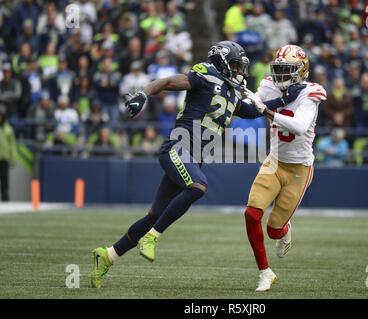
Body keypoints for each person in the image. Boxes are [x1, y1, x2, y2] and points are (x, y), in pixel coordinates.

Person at [90, 41, 302, 288]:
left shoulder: (232, 91)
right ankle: (151, 238)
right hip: (178, 148)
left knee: (154, 215)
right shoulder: (205, 75)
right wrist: (143, 94)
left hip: (193, 156)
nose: (238, 71)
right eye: (234, 65)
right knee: (199, 185)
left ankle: (107, 255)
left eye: (239, 66)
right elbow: (169, 82)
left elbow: (250, 111)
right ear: (221, 63)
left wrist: (282, 100)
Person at [242, 45, 327, 291]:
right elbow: (250, 105)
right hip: (274, 161)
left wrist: (268, 110)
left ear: (301, 72)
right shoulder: (270, 85)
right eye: (277, 69)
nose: (279, 75)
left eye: (286, 70)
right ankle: (265, 273)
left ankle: (285, 229)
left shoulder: (312, 92)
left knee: (273, 229)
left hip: (299, 170)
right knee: (251, 214)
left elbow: (299, 126)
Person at [0, 104, 16, 201]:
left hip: (4, 158)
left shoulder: (8, 129)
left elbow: (12, 145)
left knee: (5, 182)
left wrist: (13, 158)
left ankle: (5, 199)